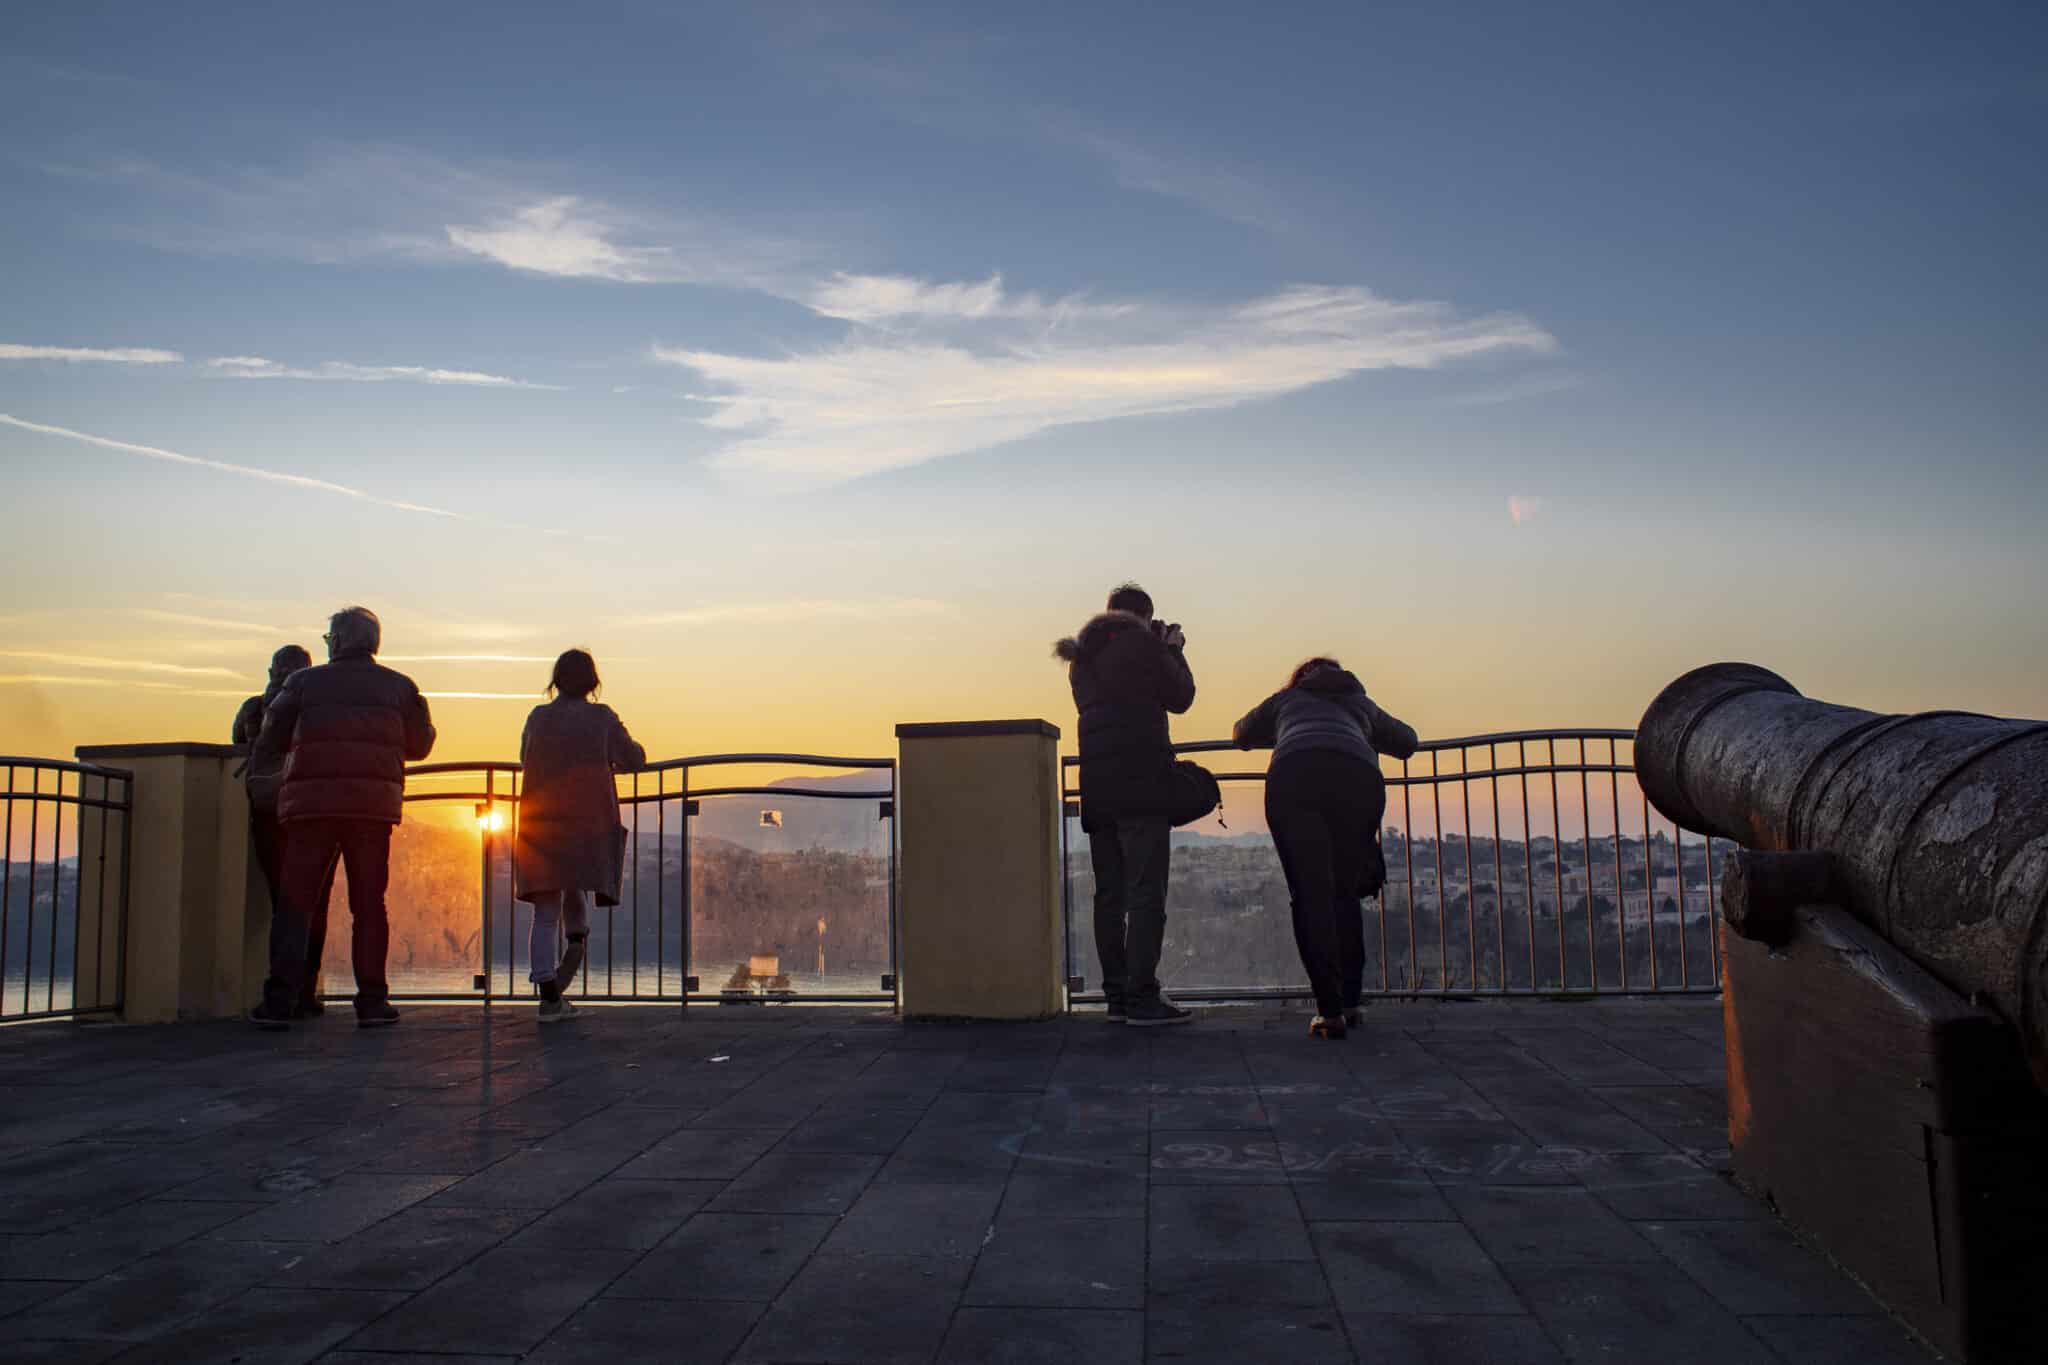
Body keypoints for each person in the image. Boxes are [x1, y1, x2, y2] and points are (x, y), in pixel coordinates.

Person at [248, 606, 436, 1030]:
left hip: (310, 809)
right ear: (374, 643)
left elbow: (271, 737)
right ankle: (371, 1001)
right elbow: (421, 745)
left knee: (295, 905)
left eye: (328, 638)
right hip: (371, 811)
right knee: (369, 906)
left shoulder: (300, 684)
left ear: (336, 641)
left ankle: (280, 1001)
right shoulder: (400, 688)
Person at [1233, 657, 1418, 1039]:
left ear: (1300, 678)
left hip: (1294, 775)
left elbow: (1241, 733)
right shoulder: (1360, 703)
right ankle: (1350, 1001)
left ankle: (1329, 1011)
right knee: (1343, 894)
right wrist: (1361, 733)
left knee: (1309, 895)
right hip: (1357, 779)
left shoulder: (1287, 699)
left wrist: (1286, 732)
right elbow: (1408, 742)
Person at [1053, 583, 1198, 1027]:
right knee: (1146, 894)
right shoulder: (1144, 647)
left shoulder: (1082, 657)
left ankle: (1116, 995)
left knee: (1110, 895)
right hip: (1143, 785)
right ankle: (1142, 997)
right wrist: (1172, 648)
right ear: (1144, 616)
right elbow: (1182, 697)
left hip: (1098, 786)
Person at [513, 650, 645, 1024]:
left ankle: (549, 992)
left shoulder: (538, 718)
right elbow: (634, 758)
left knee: (545, 912)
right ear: (592, 681)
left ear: (555, 680)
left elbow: (525, 758)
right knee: (577, 887)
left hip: (541, 825)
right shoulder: (601, 719)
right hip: (586, 824)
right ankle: (572, 953)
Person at [234, 644, 338, 1017]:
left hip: (268, 814)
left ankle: (282, 992)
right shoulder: (317, 709)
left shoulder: (253, 709)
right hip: (315, 810)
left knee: (285, 905)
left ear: (271, 670)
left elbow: (240, 748)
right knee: (317, 903)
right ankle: (305, 992)